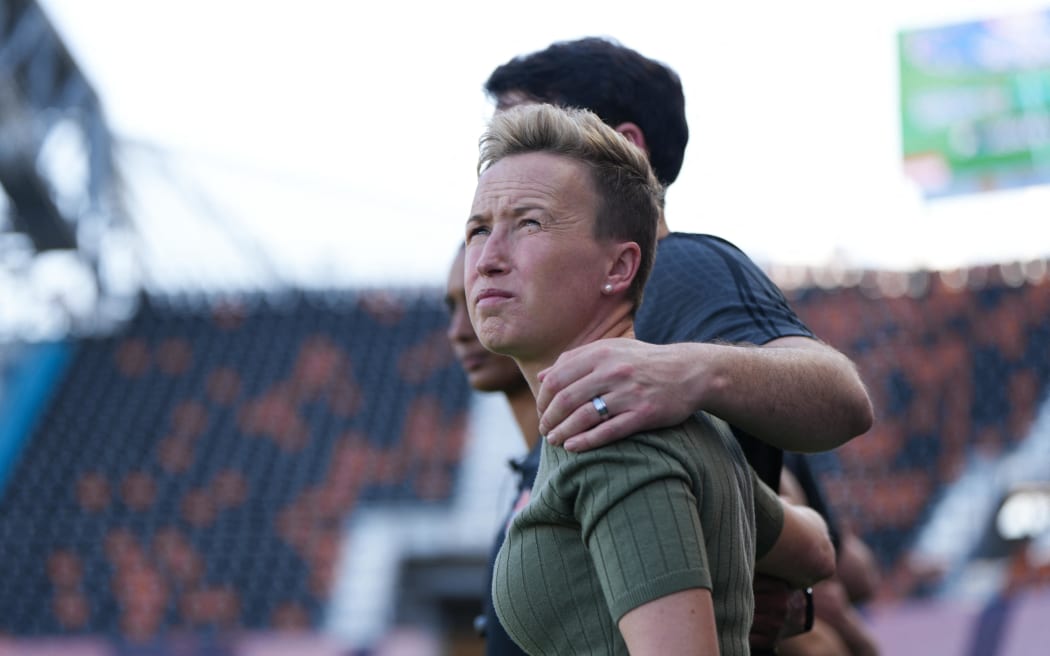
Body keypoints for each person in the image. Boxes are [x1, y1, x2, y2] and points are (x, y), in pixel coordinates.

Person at [481, 37, 874, 654]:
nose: (488, 256)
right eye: (480, 228)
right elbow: (819, 549)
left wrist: (685, 371)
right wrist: (735, 574)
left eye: (545, 129)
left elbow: (845, 398)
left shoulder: (682, 271)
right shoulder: (619, 402)